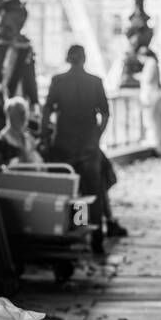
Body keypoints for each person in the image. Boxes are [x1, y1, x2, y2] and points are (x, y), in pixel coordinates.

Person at [40, 44, 110, 254]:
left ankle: (72, 231)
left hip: (63, 146)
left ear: (68, 59)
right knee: (92, 193)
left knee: (68, 194)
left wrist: (46, 136)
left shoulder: (58, 81)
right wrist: (97, 135)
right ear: (84, 59)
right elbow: (105, 114)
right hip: (89, 145)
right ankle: (95, 236)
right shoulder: (95, 82)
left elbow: (46, 111)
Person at [0, 95, 44, 165]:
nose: (22, 117)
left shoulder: (28, 137)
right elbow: (1, 166)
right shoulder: (2, 140)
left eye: (23, 113)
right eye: (18, 113)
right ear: (10, 115)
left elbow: (39, 161)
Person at [138, 49, 161, 153]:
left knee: (150, 120)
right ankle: (154, 141)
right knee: (152, 120)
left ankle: (153, 141)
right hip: (152, 95)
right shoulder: (154, 63)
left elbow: (148, 78)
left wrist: (139, 76)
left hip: (150, 96)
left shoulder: (150, 63)